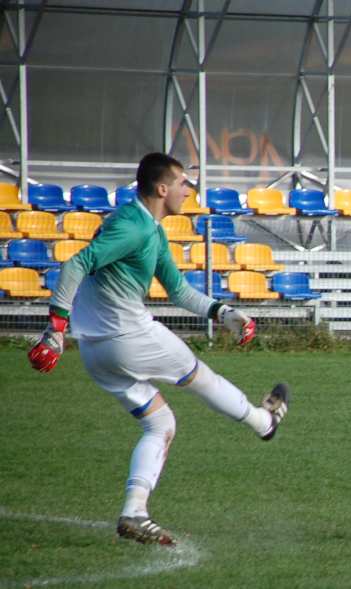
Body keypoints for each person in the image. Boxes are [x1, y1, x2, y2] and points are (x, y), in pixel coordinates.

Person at [27, 153, 289, 545]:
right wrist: (54, 331)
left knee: (160, 424)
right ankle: (264, 423)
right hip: (129, 336)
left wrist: (222, 312)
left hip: (97, 353)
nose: (188, 190)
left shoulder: (148, 229)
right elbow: (75, 265)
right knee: (202, 379)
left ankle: (134, 512)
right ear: (163, 188)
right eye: (183, 182)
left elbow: (179, 291)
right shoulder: (135, 227)